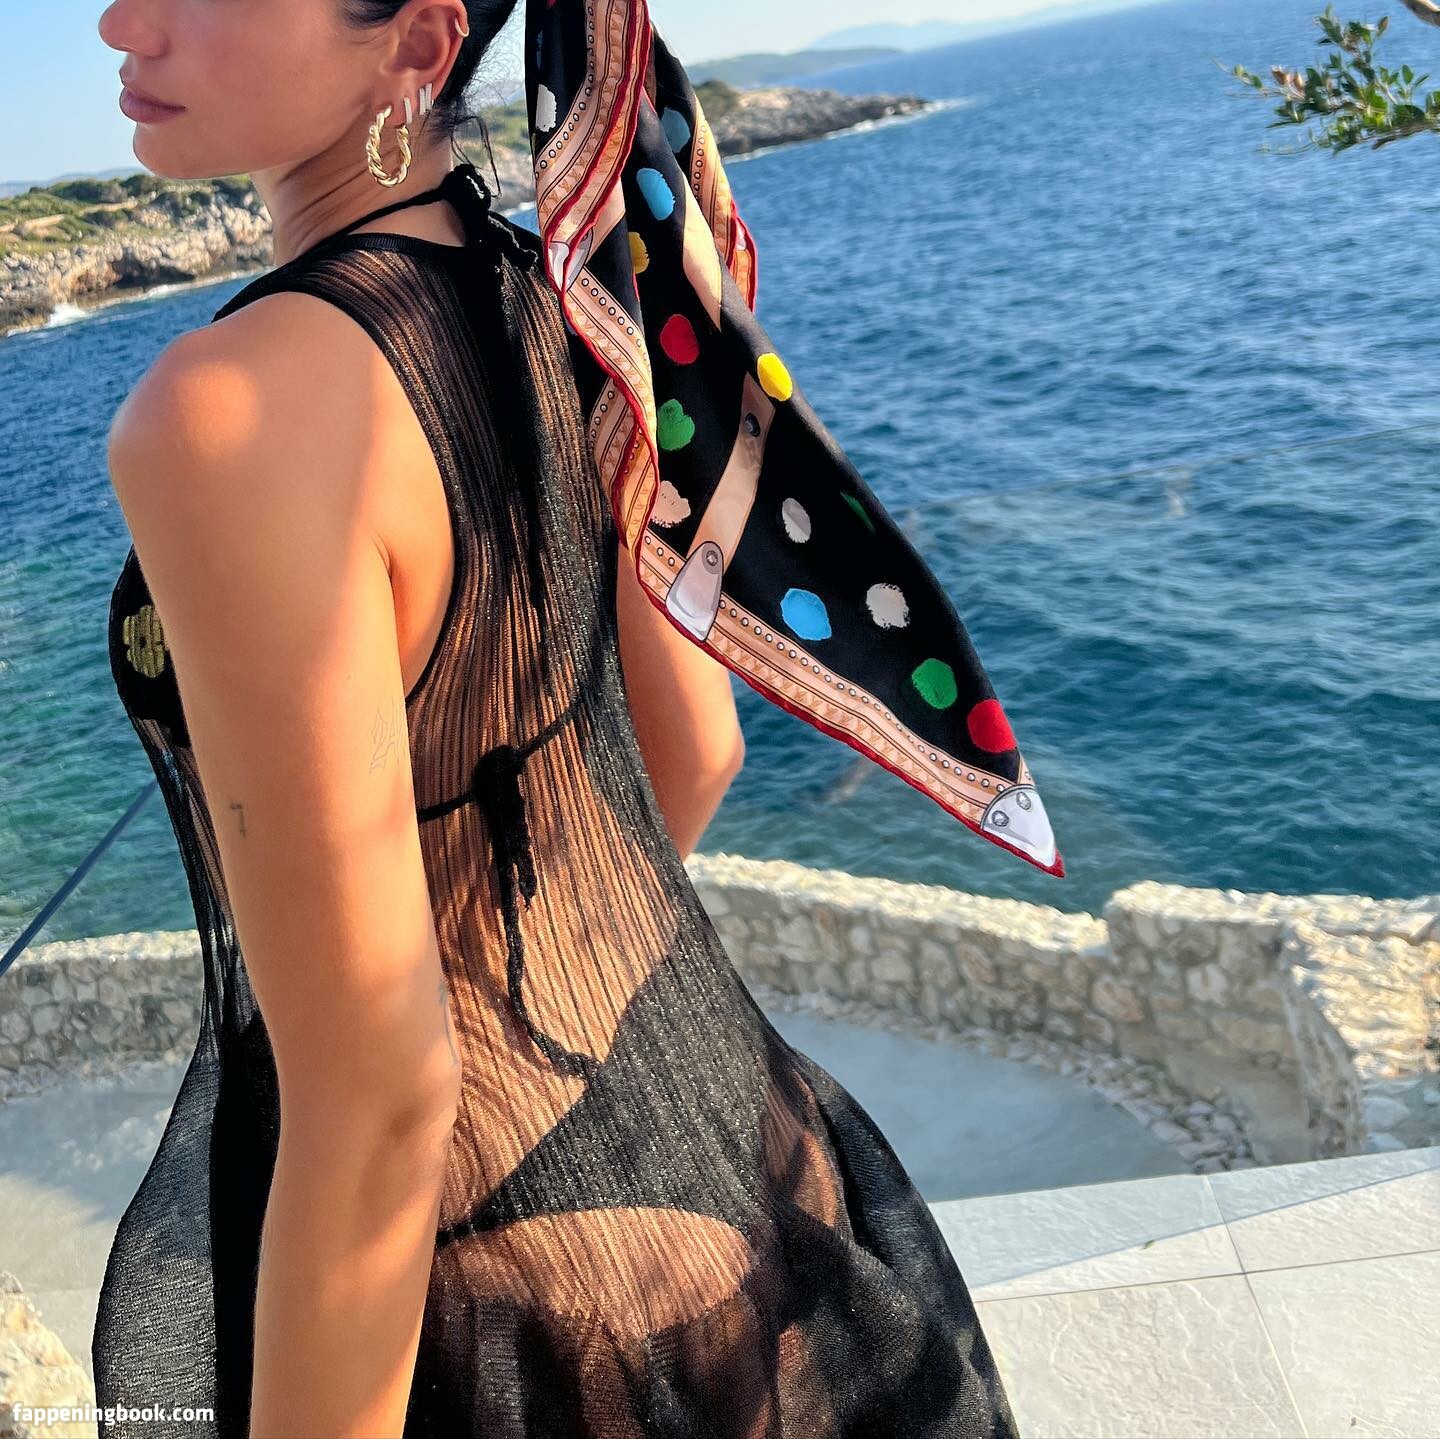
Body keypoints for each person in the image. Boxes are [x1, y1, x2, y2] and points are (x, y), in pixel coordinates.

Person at [95, 0, 1047, 1435]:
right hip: (737, 1158)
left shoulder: (230, 411)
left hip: (503, 1302)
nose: (122, 20)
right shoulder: (566, 293)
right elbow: (697, 750)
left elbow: (378, 1098)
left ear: (419, 45)